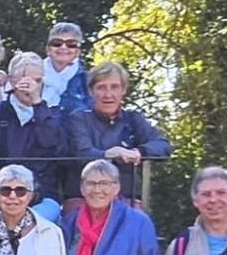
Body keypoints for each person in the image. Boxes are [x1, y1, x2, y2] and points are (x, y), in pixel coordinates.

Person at [68, 62, 171, 210]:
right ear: (91, 91)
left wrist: (139, 152)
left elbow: (163, 146)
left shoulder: (133, 118)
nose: (108, 94)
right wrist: (109, 154)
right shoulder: (78, 119)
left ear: (123, 90)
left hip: (126, 196)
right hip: (84, 196)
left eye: (114, 87)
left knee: (137, 223)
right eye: (101, 87)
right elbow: (81, 153)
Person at [0, 53, 71, 224]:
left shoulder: (53, 114)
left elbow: (56, 148)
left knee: (30, 223)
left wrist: (38, 105)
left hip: (43, 197)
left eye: (37, 81)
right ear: (11, 81)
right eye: (24, 81)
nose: (30, 87)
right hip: (1, 197)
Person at [41, 21, 91, 113]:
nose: (63, 47)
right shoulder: (32, 75)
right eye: (57, 43)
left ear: (78, 51)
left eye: (71, 44)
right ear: (48, 49)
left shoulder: (88, 81)